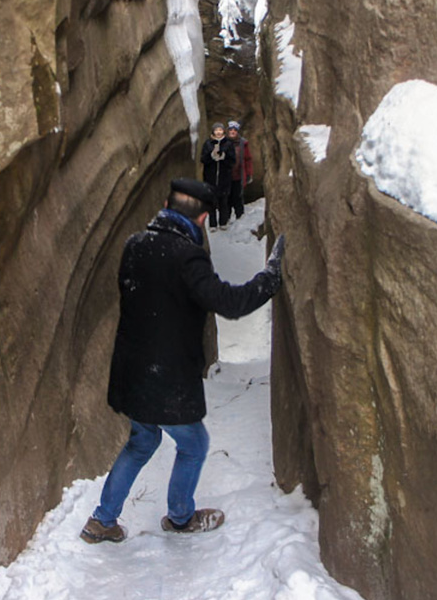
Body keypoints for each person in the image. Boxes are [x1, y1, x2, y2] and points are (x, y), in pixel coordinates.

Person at [80, 178, 287, 543]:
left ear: (165, 203)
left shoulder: (135, 245)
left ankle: (102, 520)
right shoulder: (186, 255)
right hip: (164, 377)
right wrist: (269, 279)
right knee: (194, 445)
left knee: (142, 442)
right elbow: (227, 302)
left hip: (132, 371)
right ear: (204, 218)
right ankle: (180, 517)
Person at [200, 122, 235, 230]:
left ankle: (223, 222)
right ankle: (213, 224)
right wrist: (211, 156)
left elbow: (233, 160)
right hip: (210, 178)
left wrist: (224, 157)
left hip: (224, 178)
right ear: (213, 131)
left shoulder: (228, 144)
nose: (218, 132)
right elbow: (203, 159)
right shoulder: (208, 144)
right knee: (211, 202)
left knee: (223, 202)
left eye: (220, 130)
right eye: (216, 130)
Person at [226, 120, 253, 220]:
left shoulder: (243, 144)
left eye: (235, 130)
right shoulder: (223, 142)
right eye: (231, 130)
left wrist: (249, 173)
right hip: (226, 176)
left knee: (238, 197)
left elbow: (248, 159)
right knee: (227, 198)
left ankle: (240, 217)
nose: (233, 132)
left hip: (238, 175)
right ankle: (226, 217)